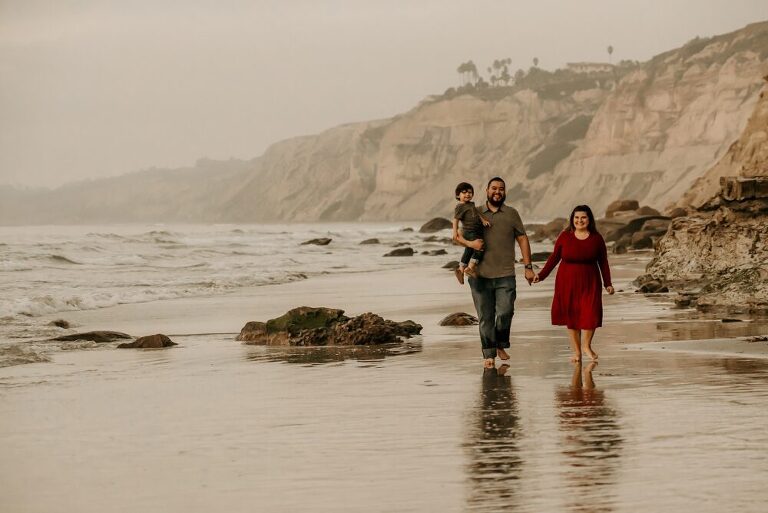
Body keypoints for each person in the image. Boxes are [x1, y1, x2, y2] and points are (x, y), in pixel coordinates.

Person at [454, 177, 535, 368]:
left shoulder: (512, 213)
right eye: (493, 188)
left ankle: (500, 344)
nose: (497, 191)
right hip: (479, 275)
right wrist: (471, 244)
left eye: (501, 189)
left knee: (506, 311)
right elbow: (458, 237)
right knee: (485, 317)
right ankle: (488, 354)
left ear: (505, 192)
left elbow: (522, 239)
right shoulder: (473, 211)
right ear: (487, 190)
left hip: (506, 274)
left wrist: (528, 267)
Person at [533, 205, 614, 362]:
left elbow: (603, 262)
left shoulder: (596, 238)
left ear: (589, 219)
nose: (579, 220)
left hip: (590, 281)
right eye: (576, 218)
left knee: (591, 313)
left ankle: (586, 346)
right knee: (573, 315)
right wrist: (541, 276)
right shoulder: (565, 236)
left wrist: (608, 283)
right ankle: (577, 352)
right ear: (572, 219)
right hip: (567, 281)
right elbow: (554, 258)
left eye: (583, 217)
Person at [452, 182, 491, 284]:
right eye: (464, 192)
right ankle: (470, 268)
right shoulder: (460, 207)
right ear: (458, 195)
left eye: (470, 192)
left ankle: (460, 270)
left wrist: (483, 220)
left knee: (469, 250)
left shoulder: (471, 204)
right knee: (480, 248)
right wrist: (455, 232)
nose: (467, 194)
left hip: (475, 230)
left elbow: (477, 213)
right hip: (470, 231)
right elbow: (455, 219)